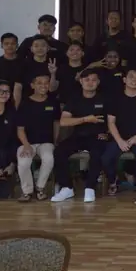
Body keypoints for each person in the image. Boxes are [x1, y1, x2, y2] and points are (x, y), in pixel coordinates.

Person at [51, 69, 109, 203]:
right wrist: (85, 119)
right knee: (59, 152)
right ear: (81, 81)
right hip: (78, 136)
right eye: (87, 80)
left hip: (98, 136)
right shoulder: (74, 99)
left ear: (98, 82)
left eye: (93, 80)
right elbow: (64, 121)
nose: (90, 83)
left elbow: (113, 121)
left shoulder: (105, 99)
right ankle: (67, 187)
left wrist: (108, 134)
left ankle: (90, 187)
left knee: (97, 154)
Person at [101, 68, 136, 196]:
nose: (134, 80)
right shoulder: (115, 98)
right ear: (124, 80)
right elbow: (111, 122)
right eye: (131, 77)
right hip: (119, 137)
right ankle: (113, 181)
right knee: (106, 158)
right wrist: (119, 141)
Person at [15, 72, 60, 202]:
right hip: (26, 142)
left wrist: (55, 141)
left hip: (46, 142)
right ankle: (27, 191)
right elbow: (20, 129)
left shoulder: (53, 102)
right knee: (24, 162)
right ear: (32, 85)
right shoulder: (25, 103)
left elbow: (56, 123)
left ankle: (40, 188)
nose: (43, 86)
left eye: (46, 83)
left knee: (48, 158)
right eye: (39, 83)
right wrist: (26, 145)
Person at [14, 35, 58, 107]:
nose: (40, 48)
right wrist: (16, 107)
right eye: (36, 46)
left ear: (48, 48)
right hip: (27, 104)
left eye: (43, 46)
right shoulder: (23, 65)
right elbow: (18, 87)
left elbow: (52, 89)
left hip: (48, 104)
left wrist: (53, 74)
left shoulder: (53, 64)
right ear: (31, 49)